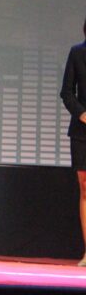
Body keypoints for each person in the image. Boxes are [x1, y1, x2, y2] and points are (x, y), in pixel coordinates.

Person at [60, 16, 86, 268]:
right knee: (85, 188)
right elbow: (66, 92)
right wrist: (82, 114)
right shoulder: (78, 53)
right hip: (83, 131)